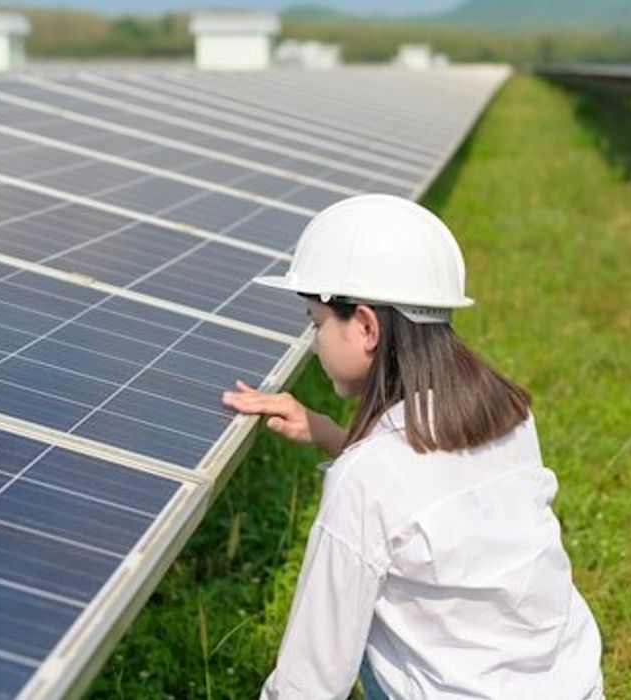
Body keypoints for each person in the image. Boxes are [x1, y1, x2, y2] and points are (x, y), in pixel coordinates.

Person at [223, 194, 604, 700]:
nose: (314, 341)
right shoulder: (508, 414)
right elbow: (428, 494)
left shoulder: (367, 479)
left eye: (316, 323)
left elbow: (310, 683)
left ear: (365, 326)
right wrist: (326, 433)